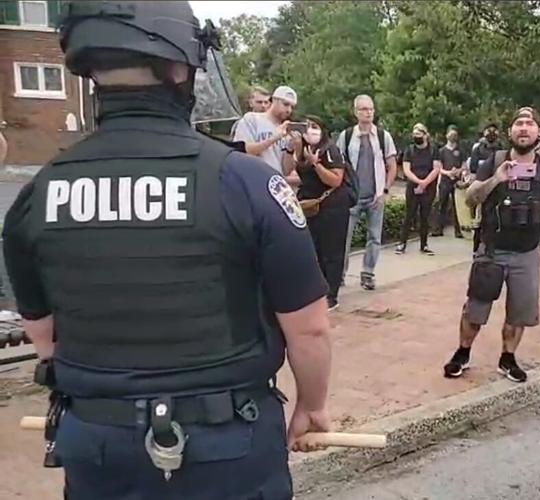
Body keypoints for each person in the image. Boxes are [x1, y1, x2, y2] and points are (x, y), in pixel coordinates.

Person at [1, 2, 333, 498]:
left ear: (89, 69)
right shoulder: (244, 182)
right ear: (180, 67)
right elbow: (308, 327)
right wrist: (311, 405)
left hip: (100, 448)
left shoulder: (40, 193)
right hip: (227, 449)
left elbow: (45, 337)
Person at [443, 107, 540, 383]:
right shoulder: (493, 160)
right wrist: (497, 178)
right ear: (511, 131)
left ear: (539, 132)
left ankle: (507, 359)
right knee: (475, 309)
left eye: (529, 123)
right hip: (492, 250)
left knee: (519, 312)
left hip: (527, 253)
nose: (524, 128)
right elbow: (471, 197)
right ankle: (462, 353)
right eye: (518, 123)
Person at [337, 94, 399, 291]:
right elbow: (338, 165)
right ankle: (339, 274)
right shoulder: (347, 136)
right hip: (352, 197)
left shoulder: (383, 136)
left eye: (371, 109)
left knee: (374, 237)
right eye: (364, 109)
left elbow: (392, 165)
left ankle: (368, 274)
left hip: (375, 195)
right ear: (356, 112)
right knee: (343, 238)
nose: (368, 112)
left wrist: (385, 190)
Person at [290, 115, 350, 311]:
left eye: (314, 126)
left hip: (331, 206)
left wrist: (316, 164)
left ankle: (331, 294)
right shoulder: (305, 148)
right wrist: (295, 147)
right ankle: (317, 290)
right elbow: (290, 169)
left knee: (331, 251)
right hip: (310, 207)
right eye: (306, 127)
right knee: (315, 250)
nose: (310, 131)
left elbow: (335, 180)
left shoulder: (329, 149)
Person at [233, 85, 299, 174]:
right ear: (274, 101)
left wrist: (290, 149)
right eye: (285, 104)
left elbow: (286, 171)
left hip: (275, 183)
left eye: (292, 107)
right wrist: (273, 138)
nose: (289, 110)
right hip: (253, 177)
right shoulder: (251, 119)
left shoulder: (286, 129)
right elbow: (243, 151)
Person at [397, 123, 441, 255]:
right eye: (414, 134)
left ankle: (424, 244)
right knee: (409, 214)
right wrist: (418, 182)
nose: (416, 137)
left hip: (429, 186)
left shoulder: (433, 150)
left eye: (419, 134)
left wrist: (425, 183)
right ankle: (402, 243)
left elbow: (436, 168)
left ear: (426, 135)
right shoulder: (409, 150)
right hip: (413, 186)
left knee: (425, 216)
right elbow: (406, 169)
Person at [466, 123, 502, 252]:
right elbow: (473, 168)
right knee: (479, 218)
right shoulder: (478, 149)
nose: (491, 132)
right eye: (489, 130)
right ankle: (477, 247)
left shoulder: (501, 148)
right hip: (482, 186)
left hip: (498, 187)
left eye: (494, 130)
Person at [432, 125, 465, 239]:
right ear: (446, 135)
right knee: (441, 204)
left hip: (457, 182)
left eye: (455, 134)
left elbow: (464, 165)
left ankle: (458, 231)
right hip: (445, 181)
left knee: (457, 207)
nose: (453, 136)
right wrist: (448, 173)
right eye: (451, 134)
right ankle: (438, 229)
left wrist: (458, 171)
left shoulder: (460, 151)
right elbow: (438, 167)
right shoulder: (442, 151)